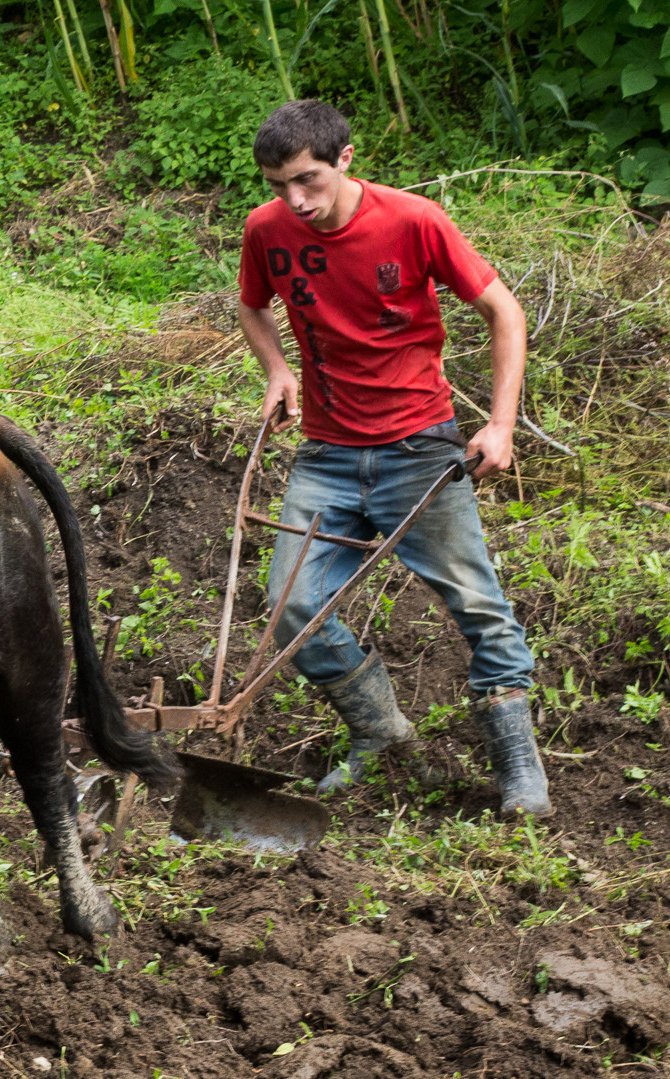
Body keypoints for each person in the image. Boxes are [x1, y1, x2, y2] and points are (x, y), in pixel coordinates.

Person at [234, 99, 549, 818]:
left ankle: (518, 766)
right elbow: (252, 305)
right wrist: (277, 371)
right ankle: (380, 729)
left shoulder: (414, 220)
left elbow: (505, 311)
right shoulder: (266, 229)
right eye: (280, 184)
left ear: (347, 159)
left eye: (308, 179)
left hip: (420, 450)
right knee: (292, 606)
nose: (296, 200)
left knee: (479, 608)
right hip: (328, 454)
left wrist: (500, 425)